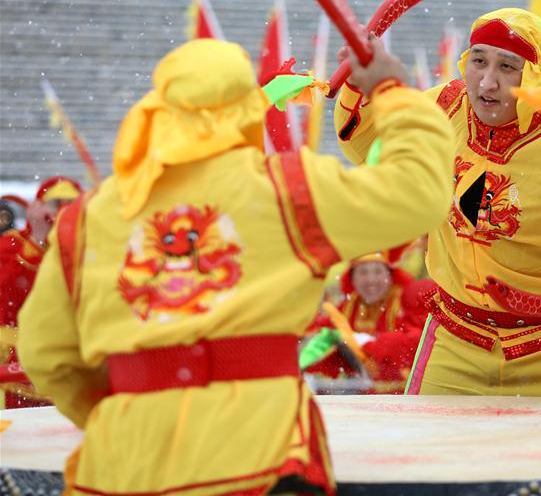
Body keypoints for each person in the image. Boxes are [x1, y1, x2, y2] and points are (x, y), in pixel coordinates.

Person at [18, 37, 453, 495]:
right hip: (258, 458)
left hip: (122, 464)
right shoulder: (288, 189)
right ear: (245, 108)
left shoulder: (87, 218)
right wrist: (391, 90)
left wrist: (132, 407)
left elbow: (47, 353)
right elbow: (419, 193)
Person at [334, 8, 541, 399]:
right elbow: (368, 146)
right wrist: (363, 84)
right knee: (431, 456)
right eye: (478, 61)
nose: (487, 81)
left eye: (508, 67)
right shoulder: (443, 108)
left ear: (536, 76)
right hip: (454, 339)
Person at [1, 177, 81, 409]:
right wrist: (38, 238)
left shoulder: (89, 249)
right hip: (19, 365)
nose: (62, 211)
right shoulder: (12, 245)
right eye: (56, 204)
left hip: (73, 364)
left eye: (71, 204)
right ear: (37, 207)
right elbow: (11, 290)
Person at [305, 250, 432, 393]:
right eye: (363, 273)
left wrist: (369, 343)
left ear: (390, 275)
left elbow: (421, 343)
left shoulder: (405, 300)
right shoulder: (349, 305)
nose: (371, 280)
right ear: (352, 279)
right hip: (366, 397)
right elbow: (323, 346)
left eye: (378, 272)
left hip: (407, 395)